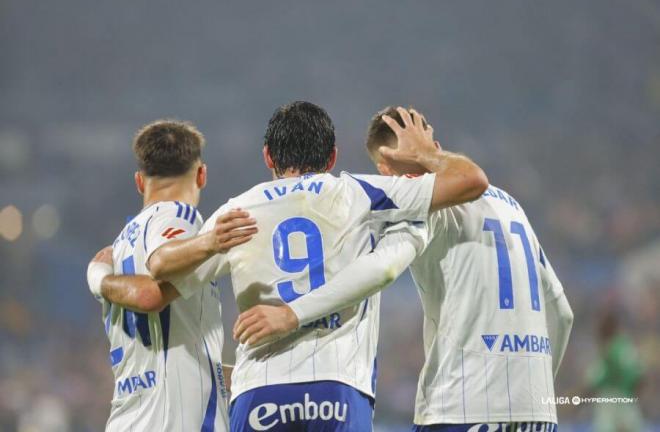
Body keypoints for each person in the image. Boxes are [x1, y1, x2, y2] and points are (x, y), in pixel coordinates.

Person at [145, 101, 489, 431]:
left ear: (268, 156)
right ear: (333, 156)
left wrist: (109, 275)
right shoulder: (361, 193)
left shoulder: (236, 213)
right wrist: (426, 154)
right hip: (337, 387)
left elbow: (159, 284)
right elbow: (469, 181)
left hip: (260, 391)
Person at [235, 106, 575, 431]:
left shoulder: (423, 207)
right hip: (538, 412)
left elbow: (382, 267)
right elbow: (562, 312)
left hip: (463, 405)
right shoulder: (512, 207)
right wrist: (538, 386)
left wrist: (293, 313)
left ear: (386, 167)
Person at [85, 120, 256, 431]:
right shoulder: (180, 214)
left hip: (128, 417)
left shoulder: (121, 245)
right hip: (176, 419)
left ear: (139, 181)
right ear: (202, 174)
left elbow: (171, 350)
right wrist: (210, 240)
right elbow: (150, 292)